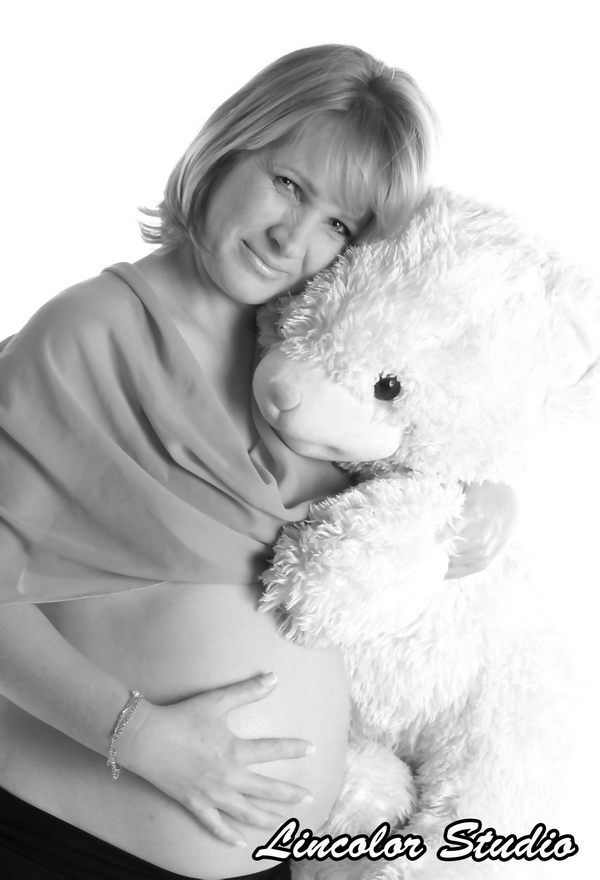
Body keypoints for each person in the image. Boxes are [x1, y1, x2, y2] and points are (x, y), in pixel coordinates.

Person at [0, 44, 516, 880]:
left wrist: (484, 501)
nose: (292, 237)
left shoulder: (314, 361)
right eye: (288, 184)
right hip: (71, 843)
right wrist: (142, 738)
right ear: (227, 148)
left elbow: (418, 464)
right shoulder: (88, 332)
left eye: (339, 225)